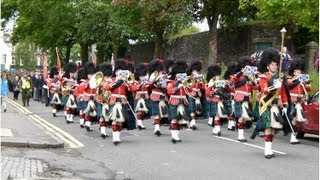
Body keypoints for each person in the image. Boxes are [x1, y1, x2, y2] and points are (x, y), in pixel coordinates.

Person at [258, 48, 289, 159]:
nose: (274, 66)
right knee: (268, 126)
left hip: (276, 105)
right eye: (272, 65)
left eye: (276, 64)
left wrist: (285, 104)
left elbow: (284, 93)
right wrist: (274, 86)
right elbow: (264, 89)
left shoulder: (280, 77)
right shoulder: (263, 77)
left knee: (273, 128)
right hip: (266, 104)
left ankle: (270, 149)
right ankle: (267, 151)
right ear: (268, 66)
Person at [287, 60, 312, 144]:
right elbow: (289, 85)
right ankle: (293, 137)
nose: (298, 72)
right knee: (295, 119)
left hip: (300, 102)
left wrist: (306, 82)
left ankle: (294, 135)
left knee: (299, 120)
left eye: (299, 70)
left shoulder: (302, 81)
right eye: (296, 71)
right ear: (293, 71)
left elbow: (309, 89)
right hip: (293, 101)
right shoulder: (290, 79)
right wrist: (297, 79)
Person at [167, 60, 190, 143]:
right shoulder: (172, 83)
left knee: (180, 120)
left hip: (183, 101)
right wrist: (177, 86)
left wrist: (186, 85)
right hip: (174, 101)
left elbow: (190, 91)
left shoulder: (186, 83)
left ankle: (176, 135)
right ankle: (173, 136)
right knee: (174, 118)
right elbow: (169, 91)